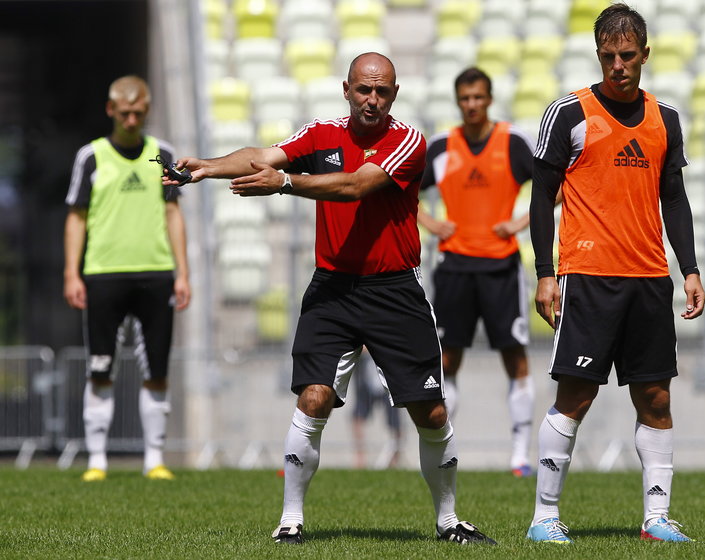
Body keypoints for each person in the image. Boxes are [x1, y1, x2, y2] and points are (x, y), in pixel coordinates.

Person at [167, 52, 495, 546]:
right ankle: (290, 522)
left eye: (382, 91)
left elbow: (354, 186)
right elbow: (266, 155)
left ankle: (448, 521)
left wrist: (284, 184)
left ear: (395, 94)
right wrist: (207, 168)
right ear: (347, 89)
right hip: (333, 288)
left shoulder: (408, 141)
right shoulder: (322, 133)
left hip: (394, 290)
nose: (372, 99)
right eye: (364, 89)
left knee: (431, 413)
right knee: (314, 398)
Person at [525, 4, 705, 544]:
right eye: (609, 57)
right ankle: (544, 518)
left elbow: (674, 199)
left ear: (645, 55)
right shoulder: (568, 113)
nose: (618, 66)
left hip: (650, 278)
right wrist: (544, 272)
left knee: (656, 398)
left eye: (628, 56)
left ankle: (655, 520)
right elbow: (540, 200)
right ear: (598, 55)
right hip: (588, 276)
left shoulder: (665, 119)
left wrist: (690, 269)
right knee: (575, 397)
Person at [63, 75, 191, 482]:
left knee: (157, 369)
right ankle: (97, 460)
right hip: (103, 274)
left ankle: (154, 459)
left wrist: (182, 272)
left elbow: (173, 213)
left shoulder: (161, 153)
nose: (132, 119)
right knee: (100, 367)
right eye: (124, 113)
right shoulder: (92, 156)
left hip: (155, 274)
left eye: (138, 112)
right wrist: (72, 272)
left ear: (147, 110)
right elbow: (76, 217)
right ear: (110, 111)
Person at [417, 67, 535, 477]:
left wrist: (520, 223)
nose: (471, 105)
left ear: (489, 98)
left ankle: (520, 456)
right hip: (454, 267)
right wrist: (430, 223)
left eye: (478, 97)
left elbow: (556, 184)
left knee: (515, 356)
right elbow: (397, 189)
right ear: (457, 101)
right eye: (465, 98)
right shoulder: (442, 146)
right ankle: (445, 448)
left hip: (501, 266)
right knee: (447, 359)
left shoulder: (513, 143)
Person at [351, 348, 402, 469]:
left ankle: (395, 459)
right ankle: (360, 458)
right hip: (366, 382)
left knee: (395, 422)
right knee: (357, 418)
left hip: (387, 382)